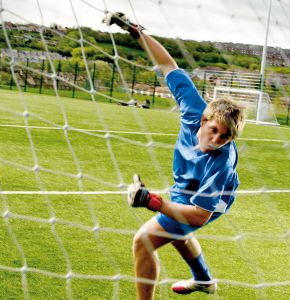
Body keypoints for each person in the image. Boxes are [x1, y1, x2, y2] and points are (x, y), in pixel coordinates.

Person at [104, 12, 246, 299]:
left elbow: (198, 216)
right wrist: (136, 32)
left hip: (212, 200)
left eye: (226, 137)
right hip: (185, 188)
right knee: (175, 229)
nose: (217, 139)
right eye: (215, 130)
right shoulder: (194, 107)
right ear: (204, 120)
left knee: (144, 240)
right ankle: (204, 281)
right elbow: (168, 65)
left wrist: (154, 201)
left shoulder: (222, 165)